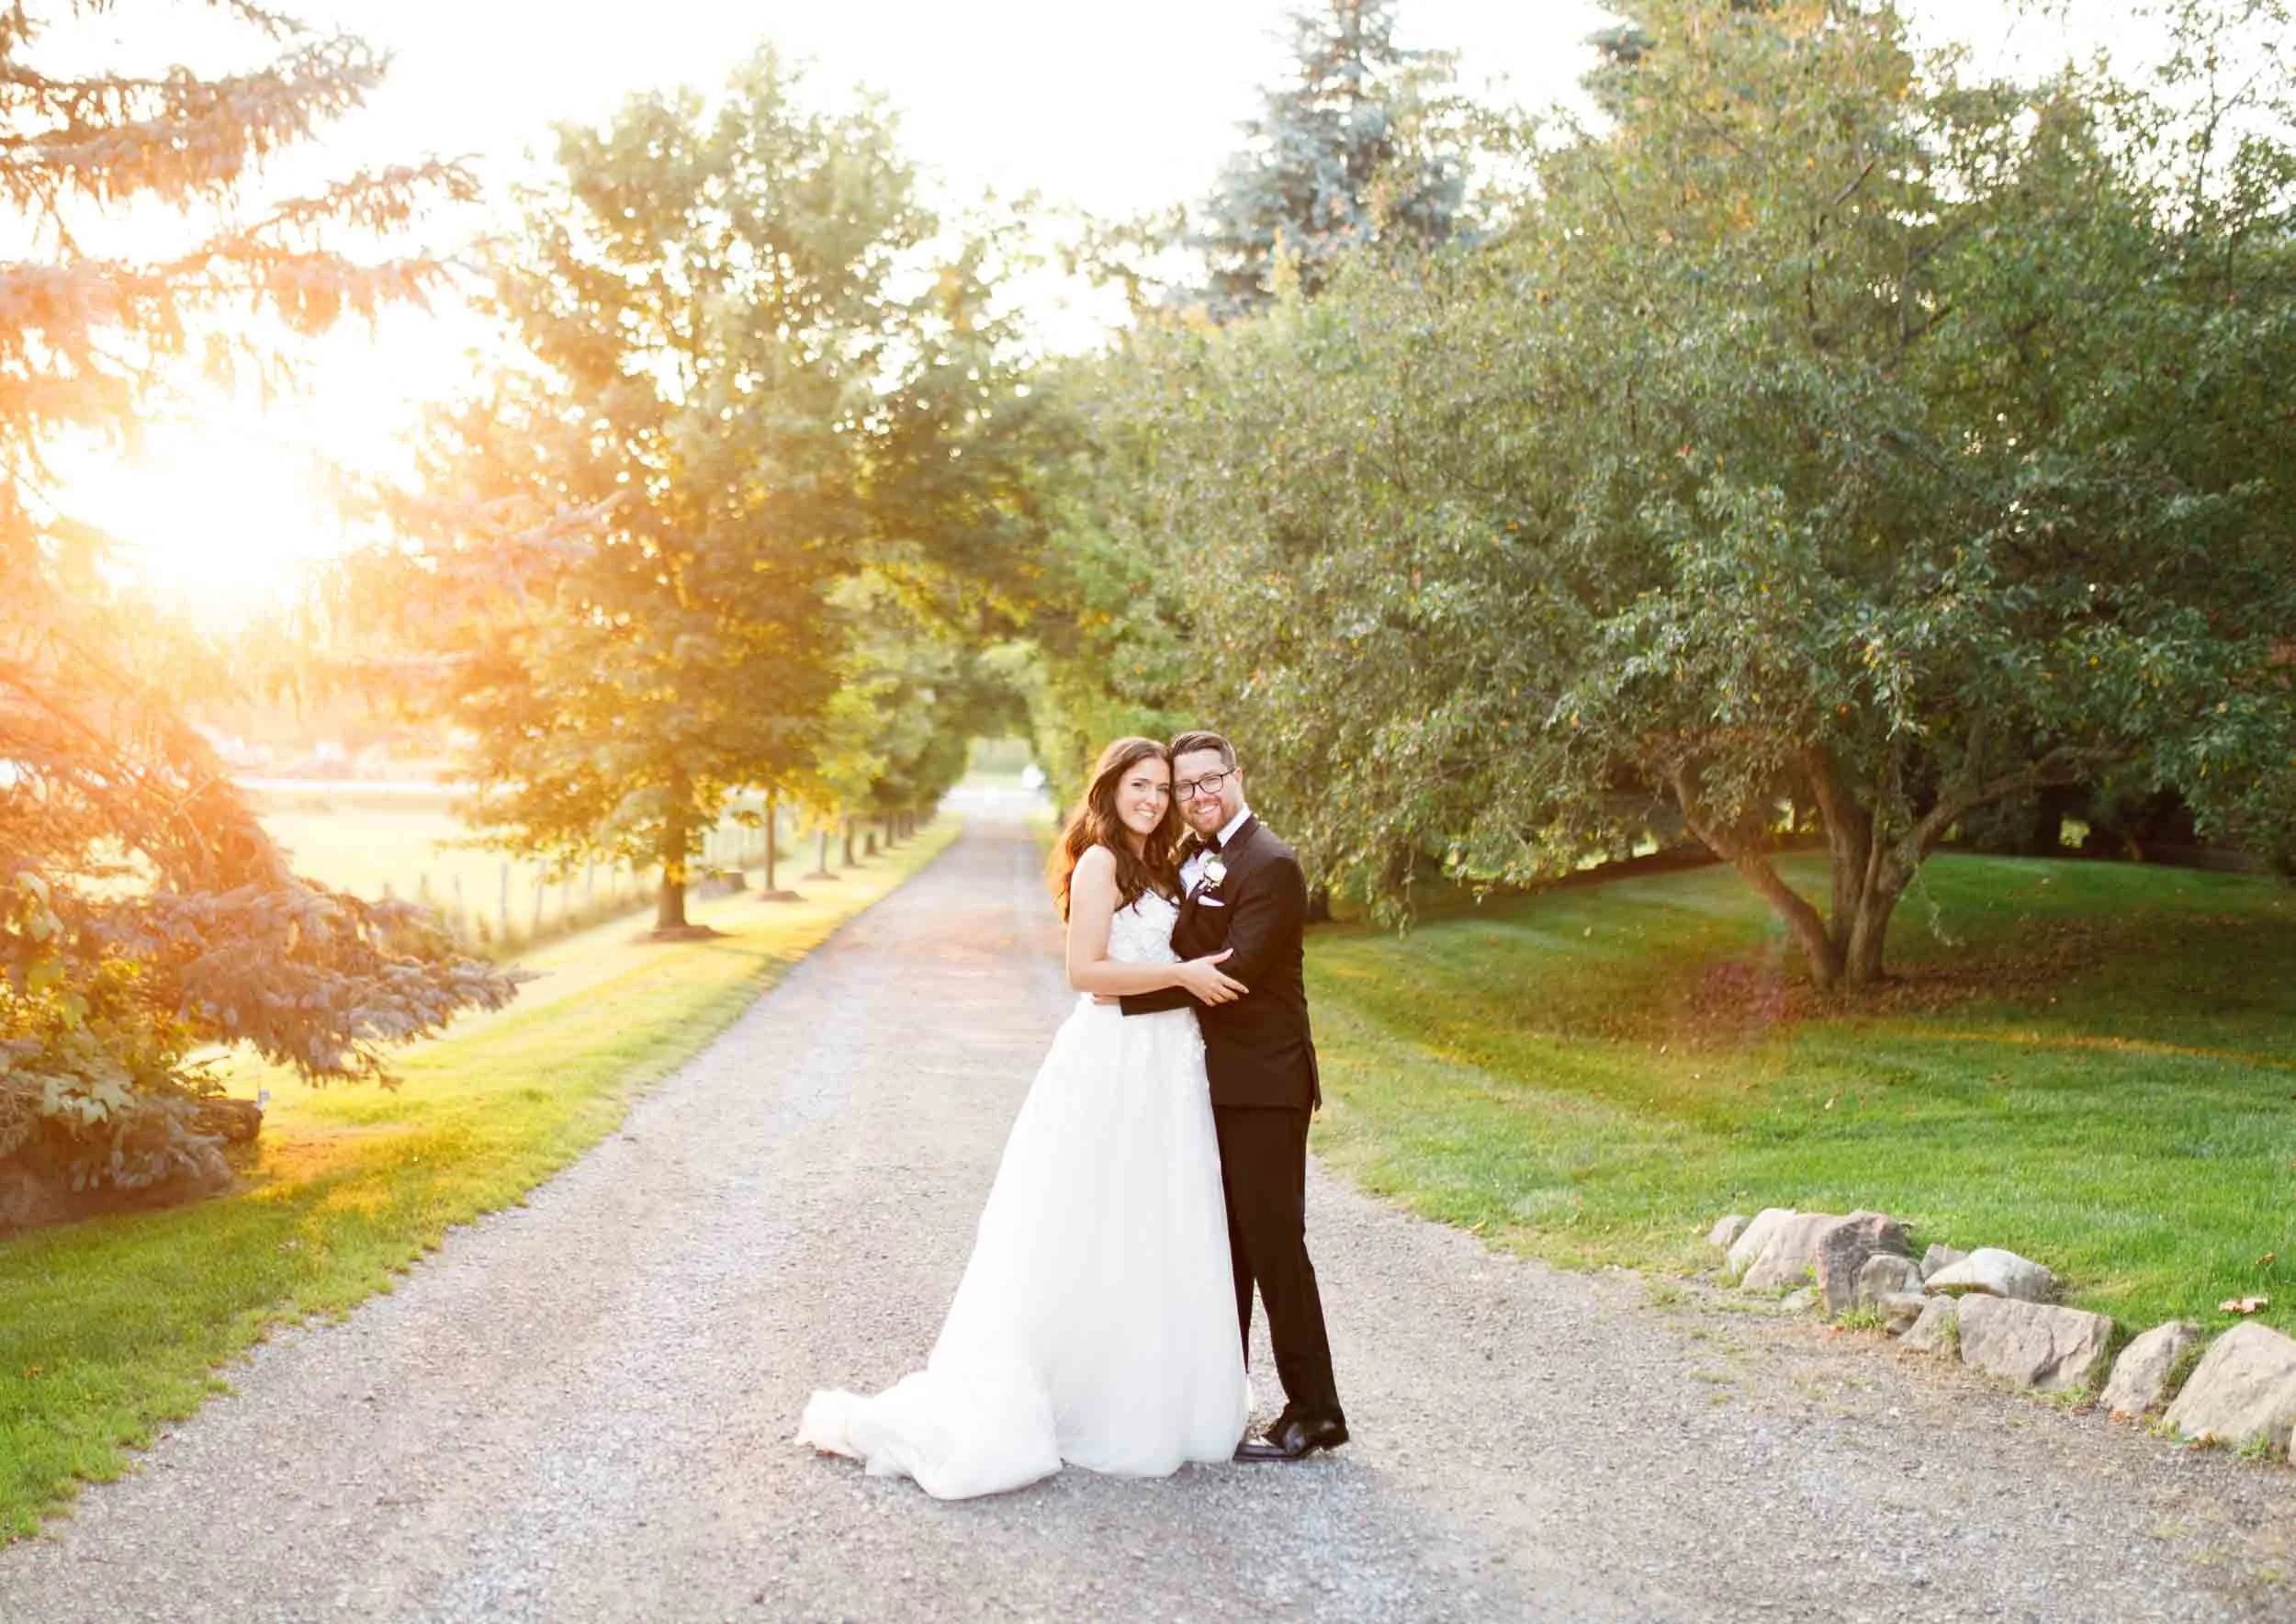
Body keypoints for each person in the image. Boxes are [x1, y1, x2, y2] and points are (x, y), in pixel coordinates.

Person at [797, 738, 1252, 1499]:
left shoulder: (1162, 863)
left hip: (1166, 1064)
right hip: (1113, 1060)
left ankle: (1152, 1394)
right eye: (1139, 785)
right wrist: (1179, 974)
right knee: (1090, 1220)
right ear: (1109, 789)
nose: (1153, 799)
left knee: (1156, 1221)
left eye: (1163, 789)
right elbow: (1088, 974)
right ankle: (1084, 1400)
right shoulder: (1105, 859)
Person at [1115, 730, 1348, 1461]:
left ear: (1237, 777)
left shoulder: (1271, 864)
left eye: (1209, 780)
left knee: (1276, 1245)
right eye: (1184, 787)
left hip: (1266, 1083)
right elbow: (1185, 934)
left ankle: (1317, 1410)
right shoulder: (1192, 856)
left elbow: (1236, 971)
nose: (1197, 796)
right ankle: (1224, 1400)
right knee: (1227, 1247)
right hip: (1215, 1080)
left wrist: (1120, 997)